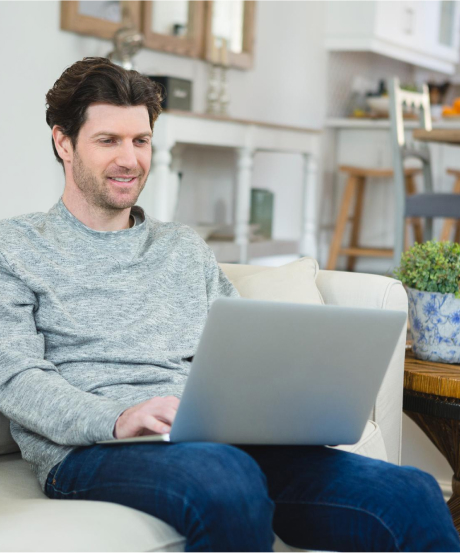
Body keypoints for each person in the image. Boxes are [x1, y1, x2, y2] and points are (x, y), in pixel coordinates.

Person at [0, 57, 458, 553]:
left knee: (409, 491)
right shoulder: (17, 248)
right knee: (225, 477)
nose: (130, 159)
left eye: (141, 140)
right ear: (63, 143)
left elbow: (245, 349)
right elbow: (16, 377)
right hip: (91, 448)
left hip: (211, 440)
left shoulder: (182, 247)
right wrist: (118, 417)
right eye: (108, 141)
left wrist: (286, 407)